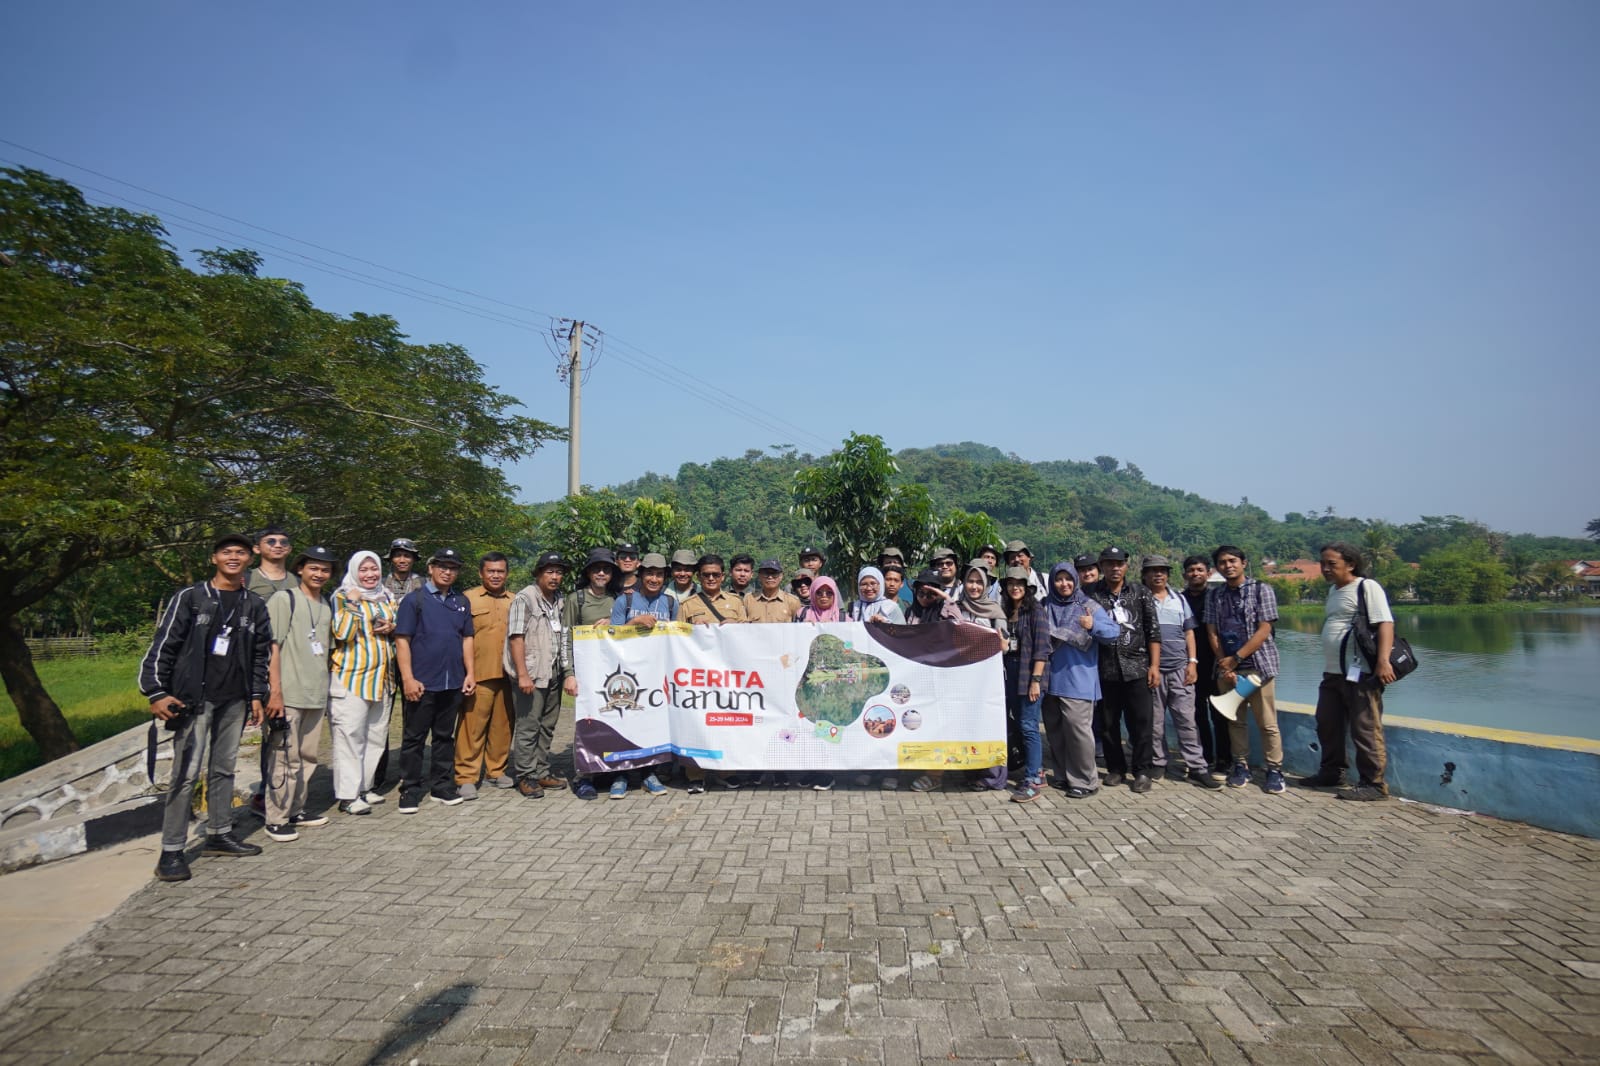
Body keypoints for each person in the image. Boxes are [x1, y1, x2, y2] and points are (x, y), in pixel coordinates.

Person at [140, 534, 270, 881]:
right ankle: (171, 850)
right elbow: (163, 646)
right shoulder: (191, 598)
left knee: (223, 768)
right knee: (185, 774)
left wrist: (257, 694)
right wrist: (155, 692)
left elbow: (260, 655)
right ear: (214, 558)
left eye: (240, 552)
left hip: (235, 699)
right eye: (227, 552)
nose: (233, 557)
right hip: (193, 700)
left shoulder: (253, 604)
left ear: (249, 559)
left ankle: (219, 833)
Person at [1305, 542, 1396, 802]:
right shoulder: (1334, 591)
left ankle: (1374, 784)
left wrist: (1383, 661)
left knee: (1365, 729)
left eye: (1332, 564)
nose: (1325, 569)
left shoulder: (1367, 587)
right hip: (1333, 673)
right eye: (1323, 563)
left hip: (1362, 674)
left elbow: (1385, 623)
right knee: (1327, 723)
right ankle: (1332, 772)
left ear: (1351, 564)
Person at [261, 545, 339, 842]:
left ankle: (296, 809)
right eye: (314, 568)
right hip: (289, 694)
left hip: (316, 693)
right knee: (284, 757)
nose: (319, 574)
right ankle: (276, 817)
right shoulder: (284, 599)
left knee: (307, 757)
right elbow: (273, 646)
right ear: (300, 569)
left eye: (325, 570)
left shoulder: (325, 604)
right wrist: (275, 693)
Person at [393, 547, 475, 813]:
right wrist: (408, 678)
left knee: (444, 737)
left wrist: (470, 673)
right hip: (422, 682)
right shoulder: (414, 601)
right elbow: (402, 640)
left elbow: (467, 638)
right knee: (414, 738)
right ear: (430, 568)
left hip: (452, 682)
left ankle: (441, 786)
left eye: (452, 567)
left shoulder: (460, 601)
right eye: (441, 566)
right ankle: (410, 789)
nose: (447, 571)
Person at [1204, 545, 1284, 795]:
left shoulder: (1262, 590)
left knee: (1267, 723)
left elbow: (1264, 630)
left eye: (1232, 561)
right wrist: (1224, 663)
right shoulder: (1214, 596)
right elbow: (1212, 631)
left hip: (1257, 668)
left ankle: (1275, 769)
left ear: (1243, 563)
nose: (1228, 566)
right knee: (1235, 722)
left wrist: (1236, 658)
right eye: (1222, 562)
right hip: (1228, 671)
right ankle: (1241, 766)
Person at [1086, 546, 1161, 794]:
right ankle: (1116, 768)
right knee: (1108, 724)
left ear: (1126, 566)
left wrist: (1154, 665)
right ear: (1101, 567)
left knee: (1141, 723)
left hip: (1137, 667)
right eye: (1109, 564)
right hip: (1104, 669)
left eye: (1118, 564)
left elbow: (1153, 630)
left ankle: (1142, 771)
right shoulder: (1092, 595)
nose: (1114, 568)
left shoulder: (1140, 593)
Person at [328, 549, 397, 816]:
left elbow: (395, 622)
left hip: (382, 679)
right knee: (350, 736)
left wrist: (391, 627)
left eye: (374, 569)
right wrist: (354, 605)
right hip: (351, 678)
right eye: (364, 570)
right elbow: (342, 633)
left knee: (376, 736)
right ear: (354, 571)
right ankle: (348, 795)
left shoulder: (385, 595)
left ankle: (365, 787)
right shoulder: (342, 596)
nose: (370, 575)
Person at [1040, 561, 1118, 798]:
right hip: (1048, 680)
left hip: (1078, 680)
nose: (1063, 584)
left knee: (1078, 733)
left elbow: (1113, 632)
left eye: (1068, 579)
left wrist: (1093, 625)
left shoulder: (1088, 606)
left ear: (1075, 580)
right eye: (1058, 579)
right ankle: (1063, 776)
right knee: (1055, 731)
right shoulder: (1044, 605)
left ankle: (1086, 781)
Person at [1142, 556, 1220, 790]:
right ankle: (1158, 762)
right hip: (1153, 670)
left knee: (1186, 720)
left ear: (1168, 574)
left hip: (1180, 668)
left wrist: (1192, 662)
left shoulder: (1179, 599)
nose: (1158, 575)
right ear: (1145, 575)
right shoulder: (1141, 598)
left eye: (1162, 571)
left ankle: (1197, 766)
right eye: (1153, 571)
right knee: (1155, 722)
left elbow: (1189, 634)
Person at [605, 553, 676, 798]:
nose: (654, 578)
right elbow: (611, 636)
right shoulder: (623, 601)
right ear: (641, 574)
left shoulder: (669, 603)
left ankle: (649, 774)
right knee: (625, 723)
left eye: (659, 574)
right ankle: (620, 776)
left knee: (652, 726)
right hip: (627, 673)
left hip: (657, 675)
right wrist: (634, 622)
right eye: (650, 573)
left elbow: (677, 642)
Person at [506, 552, 572, 799]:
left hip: (553, 673)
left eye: (558, 572)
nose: (555, 577)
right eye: (550, 572)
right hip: (532, 674)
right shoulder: (525, 598)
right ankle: (526, 775)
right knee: (528, 726)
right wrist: (522, 674)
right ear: (538, 573)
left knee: (547, 726)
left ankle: (542, 769)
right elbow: (516, 637)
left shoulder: (560, 600)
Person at [678, 555, 746, 793]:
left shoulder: (736, 603)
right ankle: (695, 775)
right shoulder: (688, 605)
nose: (710, 578)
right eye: (705, 574)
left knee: (727, 722)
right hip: (698, 676)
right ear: (699, 576)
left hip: (729, 674)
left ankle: (727, 772)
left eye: (715, 574)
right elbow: (676, 640)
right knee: (697, 723)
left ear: (722, 576)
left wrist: (737, 627)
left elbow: (751, 637)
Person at [454, 552, 515, 800]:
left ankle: (496, 770)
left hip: (507, 674)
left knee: (503, 727)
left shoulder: (515, 599)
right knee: (472, 727)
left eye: (500, 571)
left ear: (506, 574)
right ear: (481, 573)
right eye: (491, 571)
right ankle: (466, 776)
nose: (496, 575)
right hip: (478, 674)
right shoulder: (467, 598)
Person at [563, 549, 619, 800]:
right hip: (585, 674)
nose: (601, 573)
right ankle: (584, 776)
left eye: (606, 569)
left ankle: (609, 770)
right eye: (596, 568)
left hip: (612, 674)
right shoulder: (577, 599)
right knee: (585, 724)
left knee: (612, 723)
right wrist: (569, 673)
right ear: (588, 572)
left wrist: (613, 621)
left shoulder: (617, 599)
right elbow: (566, 637)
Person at [952, 563, 1010, 792]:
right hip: (962, 678)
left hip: (988, 681)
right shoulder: (956, 608)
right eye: (970, 581)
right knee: (968, 724)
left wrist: (1003, 644)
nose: (974, 586)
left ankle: (993, 776)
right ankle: (972, 771)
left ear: (985, 585)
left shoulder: (995, 610)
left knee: (990, 724)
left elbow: (1006, 643)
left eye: (978, 582)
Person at [998, 566, 1049, 802]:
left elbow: (1042, 649)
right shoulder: (1007, 611)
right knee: (1018, 722)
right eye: (1010, 583)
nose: (1014, 587)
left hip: (1030, 674)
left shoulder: (1036, 610)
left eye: (1019, 583)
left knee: (1029, 725)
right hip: (1012, 673)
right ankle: (1036, 769)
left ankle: (1032, 780)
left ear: (1027, 587)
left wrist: (1036, 681)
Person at [1181, 555, 1228, 771]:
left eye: (1200, 570)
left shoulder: (1218, 598)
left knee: (1220, 714)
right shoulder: (1179, 600)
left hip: (1217, 664)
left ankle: (1225, 760)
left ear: (1208, 573)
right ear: (1184, 575)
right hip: (1191, 666)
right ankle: (1205, 757)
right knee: (1196, 714)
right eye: (1191, 570)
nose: (1195, 574)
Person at [247, 526, 296, 598]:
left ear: (289, 549)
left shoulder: (299, 582)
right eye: (271, 542)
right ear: (257, 549)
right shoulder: (244, 579)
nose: (278, 545)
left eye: (284, 542)